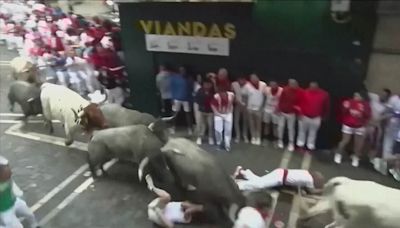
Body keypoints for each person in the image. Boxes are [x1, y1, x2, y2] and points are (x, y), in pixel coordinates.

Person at [0, 156, 40, 228]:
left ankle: (35, 226)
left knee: (29, 214)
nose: (10, 173)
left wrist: (18, 195)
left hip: (14, 202)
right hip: (4, 210)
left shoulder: (7, 176)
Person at [334, 92, 371, 167]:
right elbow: (343, 112)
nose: (355, 97)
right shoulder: (348, 102)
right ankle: (338, 154)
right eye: (355, 95)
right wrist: (345, 107)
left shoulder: (366, 105)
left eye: (358, 96)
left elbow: (368, 115)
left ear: (362, 97)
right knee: (345, 140)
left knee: (358, 144)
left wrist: (364, 122)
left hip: (360, 126)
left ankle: (356, 157)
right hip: (348, 124)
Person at [233, 166, 324, 194]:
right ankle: (238, 185)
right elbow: (312, 191)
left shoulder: (306, 173)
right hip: (280, 178)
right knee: (260, 185)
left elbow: (299, 184)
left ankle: (243, 172)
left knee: (260, 181)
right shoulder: (309, 181)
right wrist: (323, 190)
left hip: (281, 174)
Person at [297, 82, 330, 151]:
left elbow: (326, 106)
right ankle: (300, 145)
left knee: (313, 132)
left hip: (316, 117)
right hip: (304, 116)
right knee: (302, 131)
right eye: (311, 87)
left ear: (317, 87)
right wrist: (300, 114)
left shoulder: (324, 94)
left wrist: (324, 116)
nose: (312, 88)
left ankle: (310, 146)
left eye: (314, 87)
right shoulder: (304, 92)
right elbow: (300, 104)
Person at [367, 89, 391, 170]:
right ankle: (356, 154)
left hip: (376, 125)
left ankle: (370, 158)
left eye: (385, 95)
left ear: (387, 97)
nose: (382, 96)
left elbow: (387, 115)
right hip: (366, 122)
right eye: (382, 94)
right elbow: (365, 93)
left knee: (375, 142)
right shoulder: (374, 97)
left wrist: (377, 120)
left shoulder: (386, 106)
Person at [277, 79, 302, 151]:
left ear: (296, 84)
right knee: (280, 127)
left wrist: (297, 110)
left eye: (294, 84)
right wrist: (279, 109)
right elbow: (281, 100)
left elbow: (300, 102)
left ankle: (291, 143)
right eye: (291, 84)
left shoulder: (299, 91)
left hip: (291, 113)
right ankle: (280, 140)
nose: (292, 85)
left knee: (291, 129)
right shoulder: (285, 90)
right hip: (283, 112)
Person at [211, 87, 235, 151]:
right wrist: (218, 114)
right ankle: (219, 143)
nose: (222, 95)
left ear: (226, 92)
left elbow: (231, 104)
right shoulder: (216, 97)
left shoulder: (231, 95)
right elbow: (213, 106)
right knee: (218, 130)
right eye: (221, 93)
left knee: (228, 130)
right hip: (218, 114)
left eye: (223, 93)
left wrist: (229, 112)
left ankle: (227, 145)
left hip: (228, 113)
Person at [170, 66, 193, 135]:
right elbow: (172, 89)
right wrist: (172, 99)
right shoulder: (174, 78)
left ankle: (190, 129)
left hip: (187, 99)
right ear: (179, 71)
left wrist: (190, 100)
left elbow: (191, 90)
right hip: (176, 99)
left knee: (188, 114)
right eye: (181, 70)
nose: (183, 72)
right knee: (174, 114)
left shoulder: (189, 79)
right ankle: (172, 128)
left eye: (184, 70)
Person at [245, 74, 267, 145]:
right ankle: (253, 137)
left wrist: (262, 107)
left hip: (259, 108)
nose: (253, 79)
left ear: (258, 77)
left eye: (255, 77)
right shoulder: (247, 85)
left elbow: (265, 97)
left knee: (258, 124)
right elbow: (246, 97)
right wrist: (247, 107)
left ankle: (258, 137)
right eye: (252, 78)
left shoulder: (263, 84)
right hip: (250, 108)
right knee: (251, 123)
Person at [194, 78, 215, 145]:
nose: (207, 85)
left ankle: (210, 137)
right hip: (201, 111)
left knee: (210, 125)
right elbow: (197, 100)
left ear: (211, 85)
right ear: (203, 85)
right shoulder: (200, 91)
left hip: (210, 112)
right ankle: (199, 138)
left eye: (208, 84)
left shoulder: (213, 92)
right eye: (205, 84)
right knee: (200, 125)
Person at [231, 76, 251, 143]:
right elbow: (232, 94)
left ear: (245, 80)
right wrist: (235, 100)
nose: (241, 81)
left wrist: (246, 104)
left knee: (245, 121)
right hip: (237, 105)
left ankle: (245, 136)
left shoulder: (248, 85)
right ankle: (238, 136)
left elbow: (250, 96)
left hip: (246, 105)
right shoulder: (234, 84)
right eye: (240, 79)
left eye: (243, 79)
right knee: (236, 121)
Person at [263, 80, 283, 145]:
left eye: (274, 85)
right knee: (267, 124)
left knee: (275, 125)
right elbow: (263, 97)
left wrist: (279, 108)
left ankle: (275, 139)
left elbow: (283, 100)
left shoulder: (281, 90)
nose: (272, 86)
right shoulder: (267, 89)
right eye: (271, 85)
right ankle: (265, 138)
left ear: (277, 85)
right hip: (267, 108)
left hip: (276, 110)